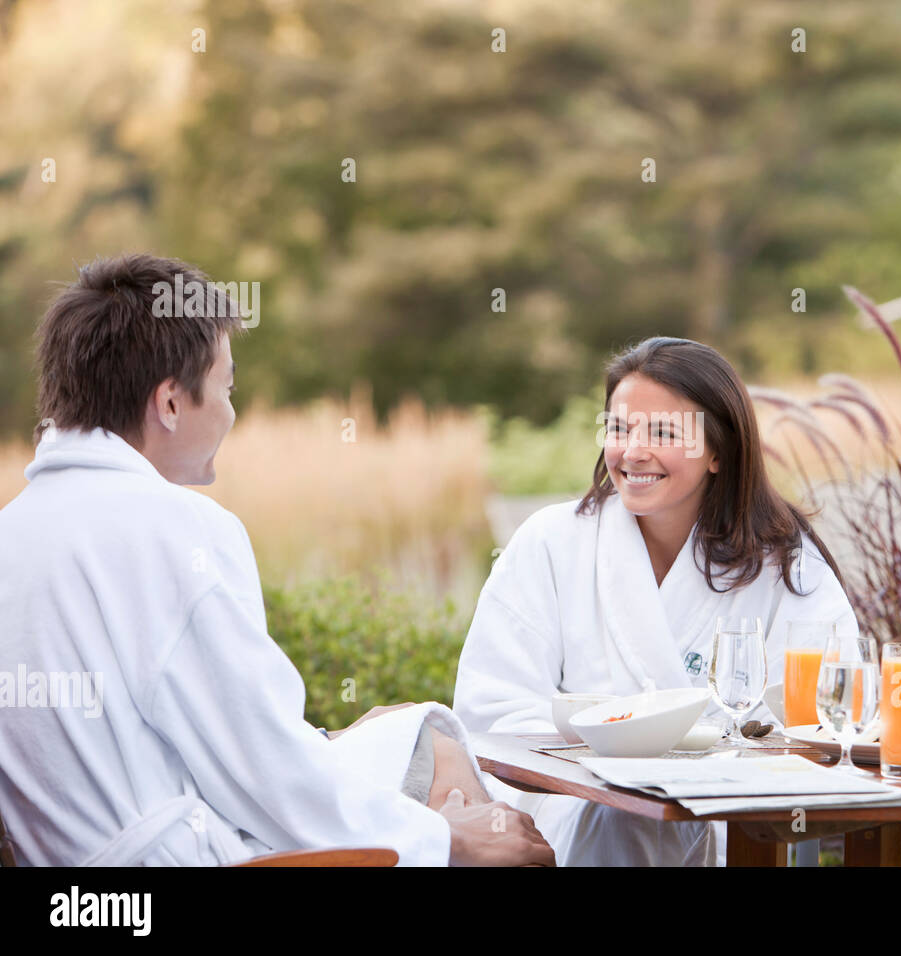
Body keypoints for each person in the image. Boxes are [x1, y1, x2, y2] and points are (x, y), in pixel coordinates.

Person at [0, 253, 553, 867]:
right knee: (438, 754)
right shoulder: (175, 529)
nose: (231, 412)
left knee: (396, 730)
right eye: (227, 388)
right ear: (171, 404)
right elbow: (260, 765)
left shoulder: (15, 530)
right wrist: (443, 840)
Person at [453, 336, 859, 866]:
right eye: (619, 429)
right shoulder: (550, 543)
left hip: (729, 821)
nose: (633, 451)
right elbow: (490, 707)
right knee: (623, 816)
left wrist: (705, 752)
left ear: (719, 451)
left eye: (664, 432)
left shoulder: (783, 564)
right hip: (575, 811)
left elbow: (831, 708)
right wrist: (611, 741)